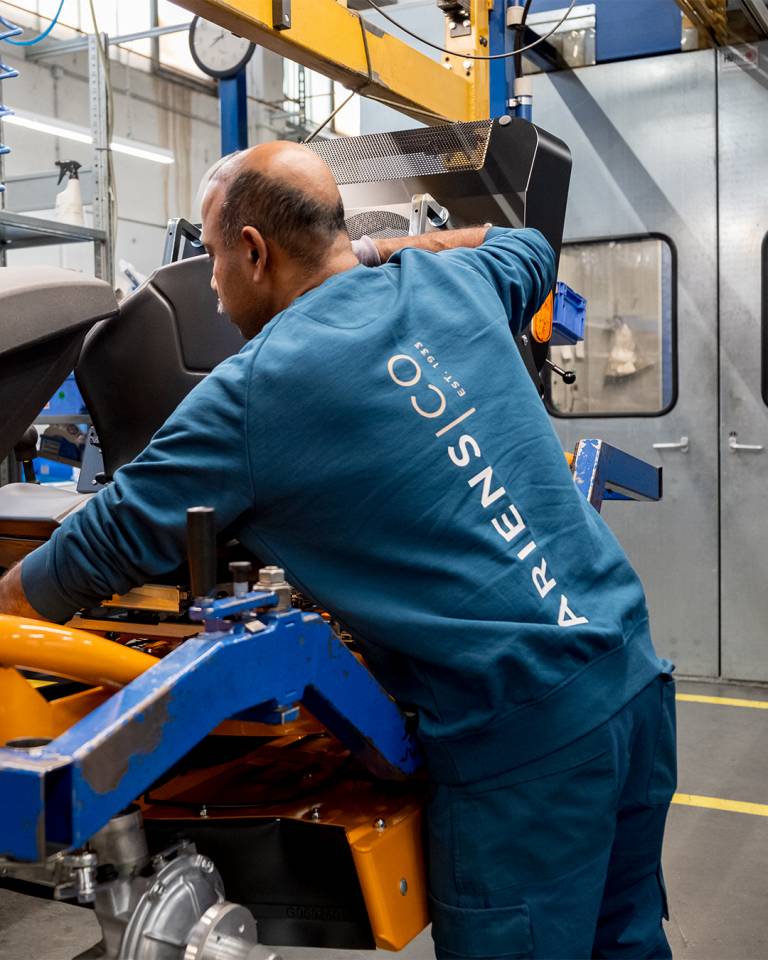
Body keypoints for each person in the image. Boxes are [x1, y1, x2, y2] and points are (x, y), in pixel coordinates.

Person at [0, 141, 676, 960]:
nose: (210, 282)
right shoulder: (448, 278)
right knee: (626, 944)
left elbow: (87, 554)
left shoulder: (253, 391)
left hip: (525, 742)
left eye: (214, 256)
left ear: (253, 250)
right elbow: (522, 245)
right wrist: (380, 252)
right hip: (632, 674)